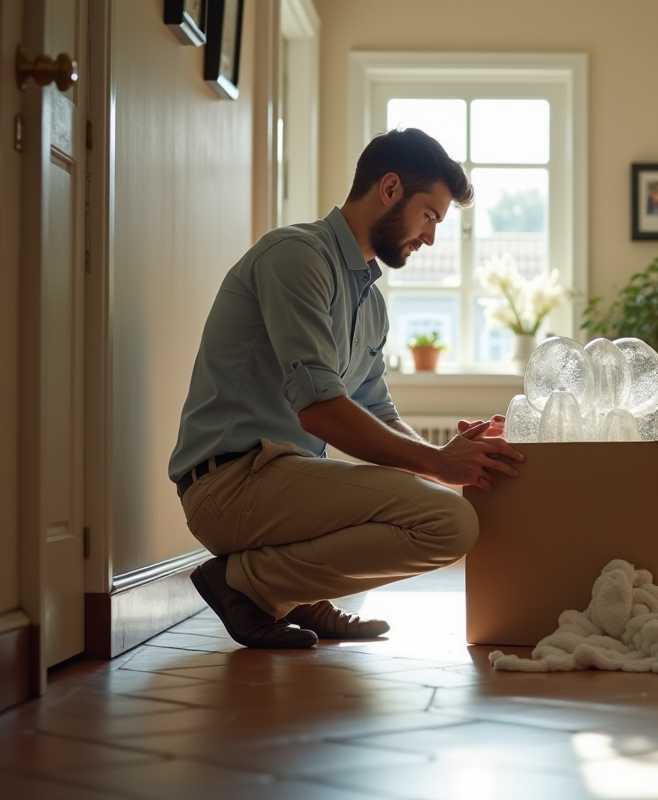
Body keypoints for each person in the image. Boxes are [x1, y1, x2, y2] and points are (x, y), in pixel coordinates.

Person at [168, 128, 524, 649]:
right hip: (229, 484)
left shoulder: (371, 305)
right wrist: (437, 464)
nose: (429, 238)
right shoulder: (296, 256)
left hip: (285, 478)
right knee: (449, 523)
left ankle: (292, 591)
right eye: (429, 215)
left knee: (440, 510)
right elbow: (320, 411)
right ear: (390, 188)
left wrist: (444, 454)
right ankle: (252, 585)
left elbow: (378, 413)